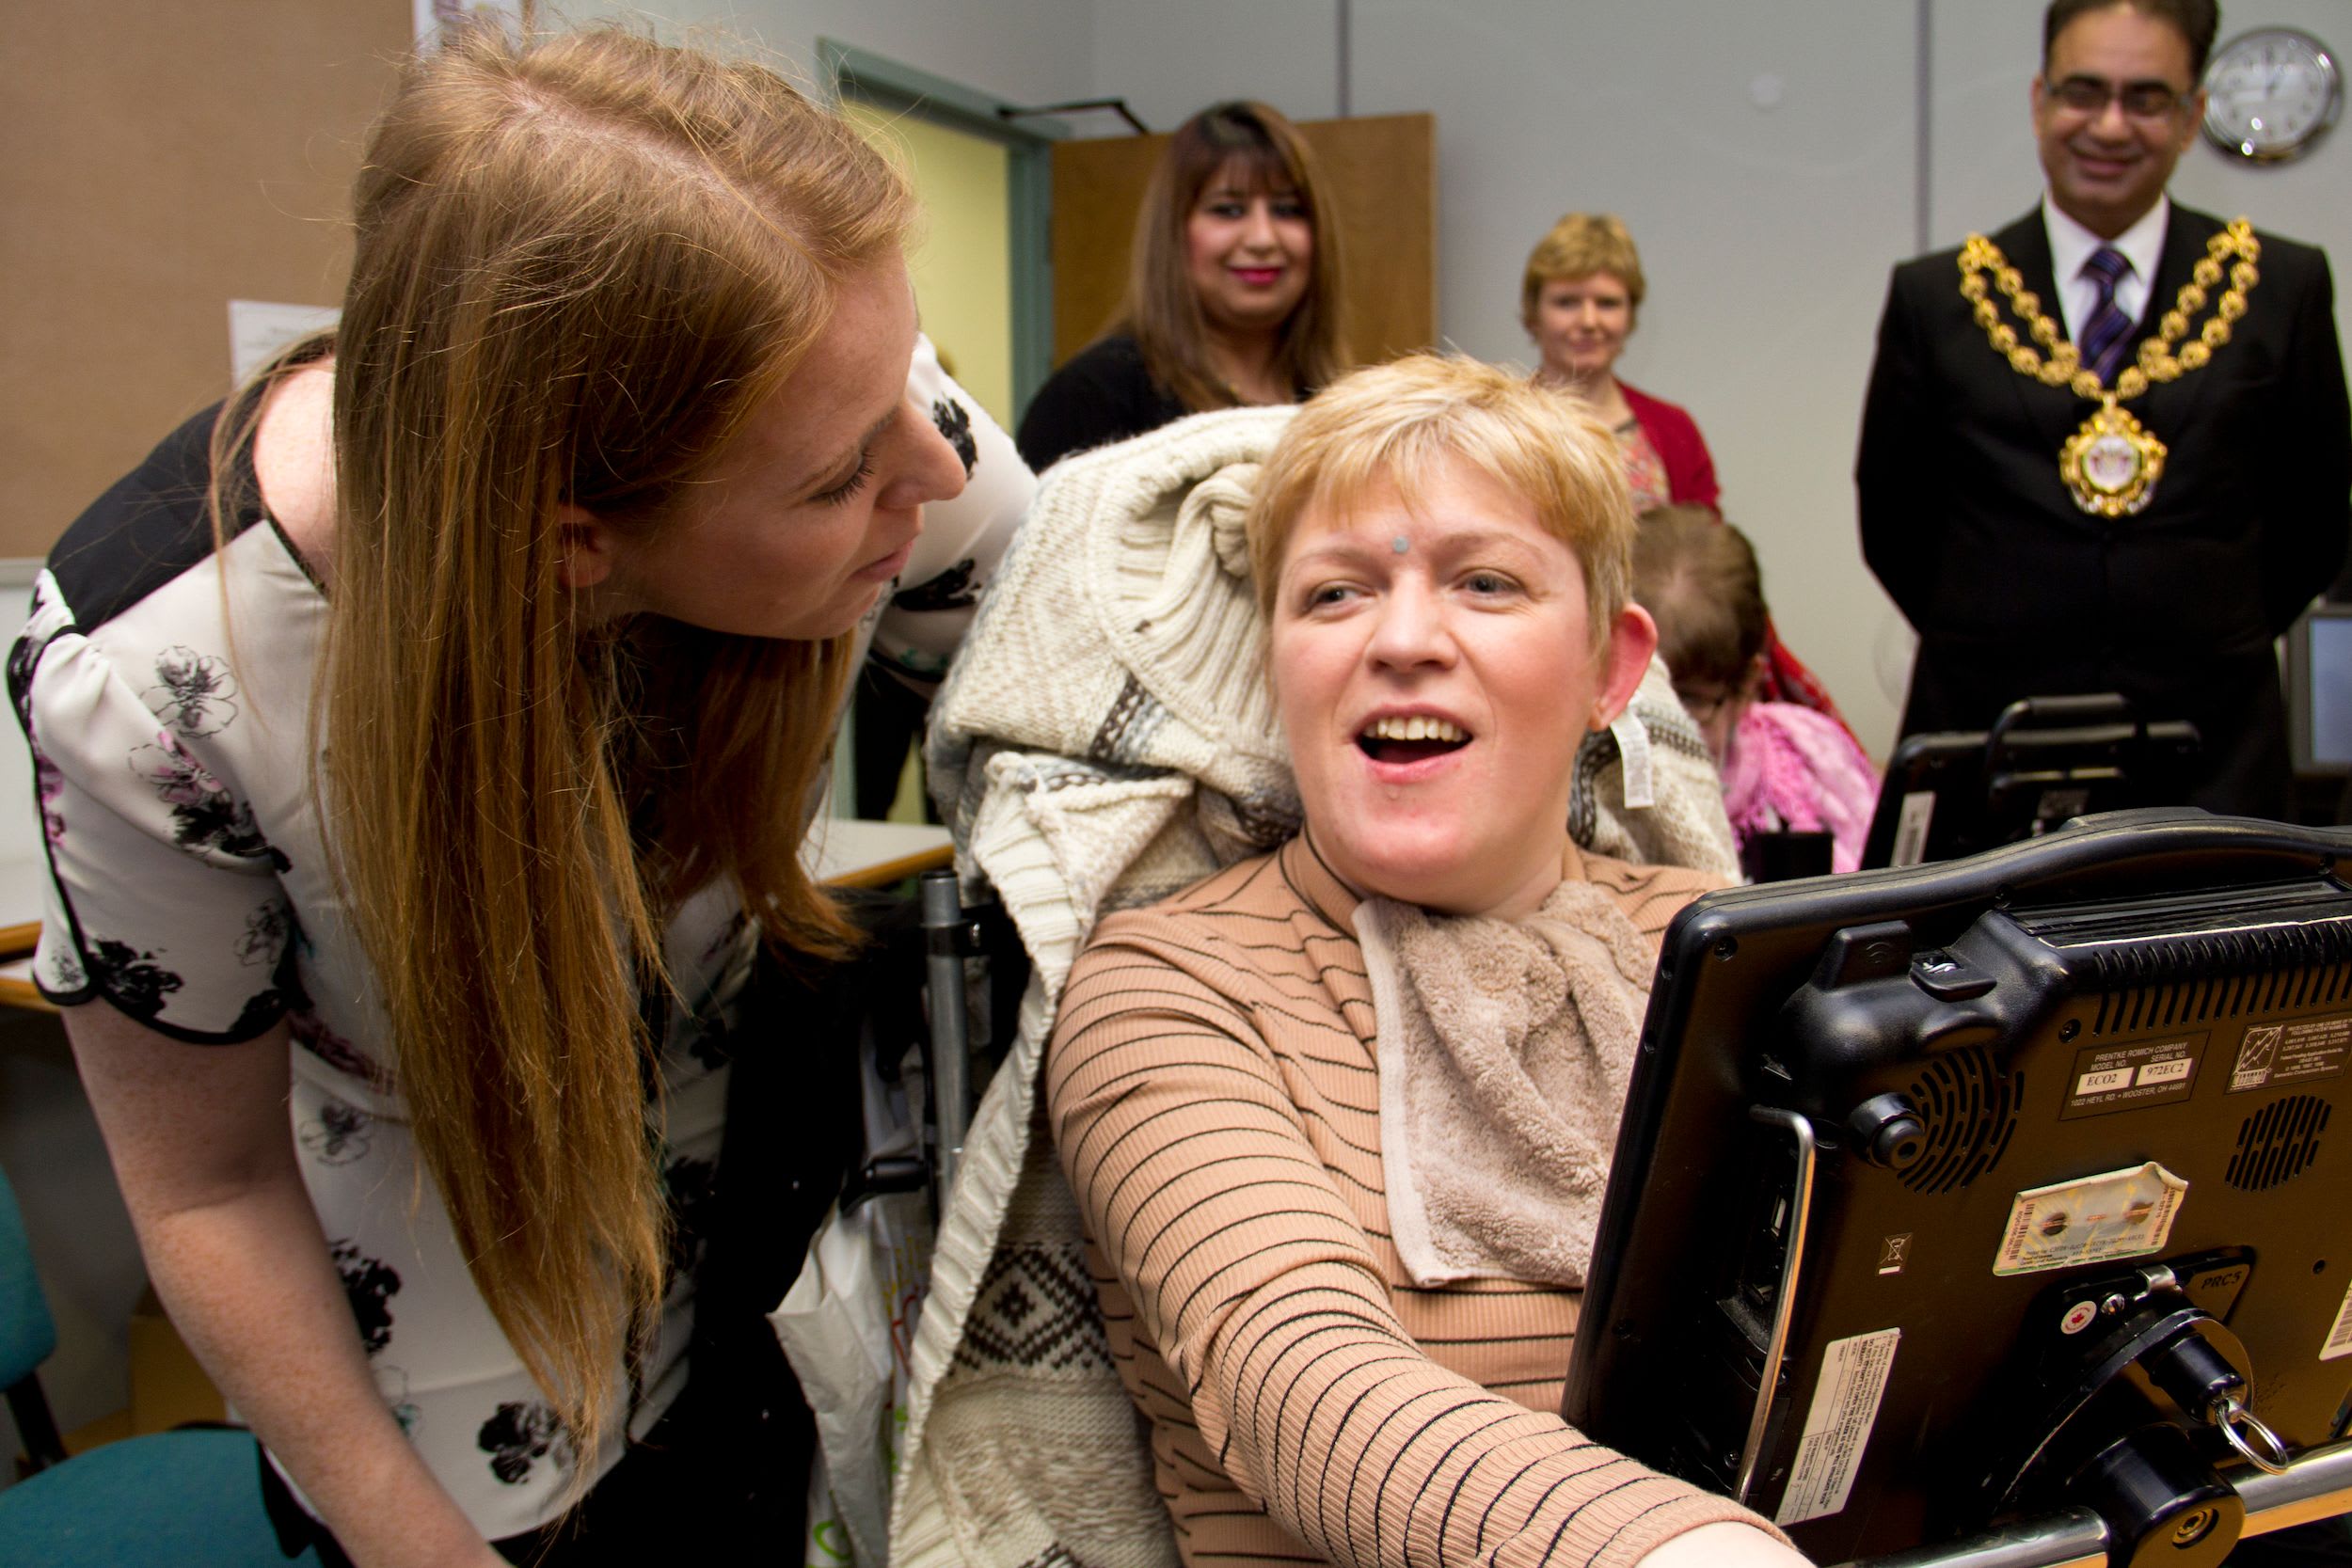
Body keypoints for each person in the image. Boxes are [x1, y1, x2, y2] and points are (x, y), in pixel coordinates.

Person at [14, 26, 1029, 1567]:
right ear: (576, 544)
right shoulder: (155, 682)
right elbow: (211, 1185)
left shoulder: (840, 389)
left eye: (911, 383)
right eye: (836, 482)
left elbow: (1088, 631)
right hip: (452, 1288)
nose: (933, 475)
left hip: (769, 1197)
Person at [1043, 355, 1807, 1568]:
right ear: (1273, 661)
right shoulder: (1168, 987)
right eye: (1335, 594)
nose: (1403, 638)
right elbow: (1299, 1384)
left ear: (1611, 669)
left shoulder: (1728, 946)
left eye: (1486, 581)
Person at [1857, 0, 2351, 822]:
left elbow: (2314, 522)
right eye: (2083, 93)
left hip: (2214, 751)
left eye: (2146, 98)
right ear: (2039, 100)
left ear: (2193, 116)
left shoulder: (2280, 289)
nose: (2110, 125)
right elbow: (1896, 520)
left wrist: (2193, 628)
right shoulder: (1936, 297)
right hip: (1991, 747)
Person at [1524, 213, 1848, 725]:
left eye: (1608, 302)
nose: (1589, 320)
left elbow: (1708, 560)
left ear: (1630, 317)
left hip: (1667, 675)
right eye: (1567, 301)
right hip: (1539, 659)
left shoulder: (1672, 429)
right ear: (1533, 315)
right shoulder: (1500, 430)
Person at [1014, 100, 1347, 470]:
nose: (1263, 239)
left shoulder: (1343, 406)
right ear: (1174, 233)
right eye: (1228, 210)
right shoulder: (1093, 398)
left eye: (1287, 210)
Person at [1633, 506, 1881, 874]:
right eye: (1637, 691)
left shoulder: (1813, 764)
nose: (1658, 722)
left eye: (1687, 698)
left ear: (1748, 684)